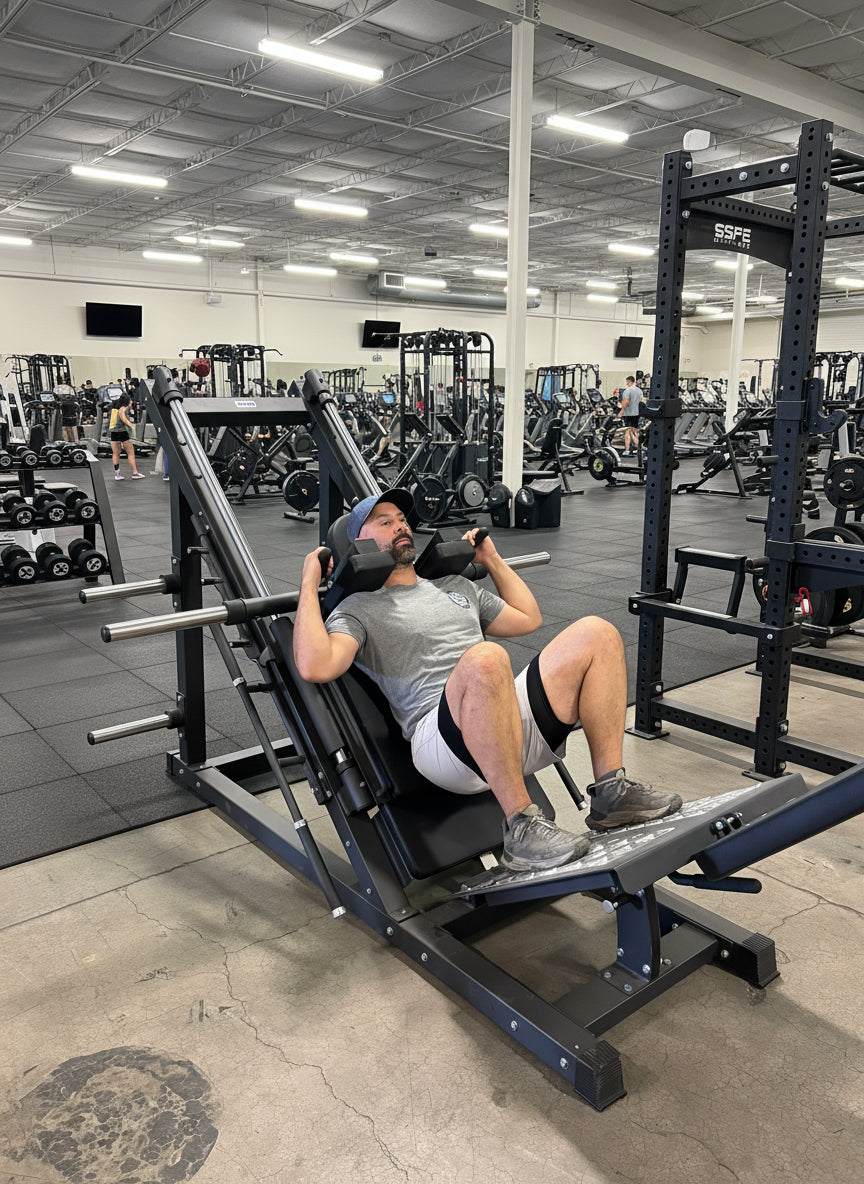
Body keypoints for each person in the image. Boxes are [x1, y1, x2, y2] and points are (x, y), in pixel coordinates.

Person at [294, 490, 682, 873]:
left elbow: (527, 618)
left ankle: (611, 793)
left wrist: (491, 560)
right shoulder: (358, 608)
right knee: (487, 658)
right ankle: (521, 826)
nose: (400, 527)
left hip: (503, 726)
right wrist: (309, 585)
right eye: (385, 522)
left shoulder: (454, 585)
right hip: (442, 745)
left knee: (597, 633)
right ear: (358, 542)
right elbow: (315, 666)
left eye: (402, 520)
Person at [108, 393, 144, 480]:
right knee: (130, 452)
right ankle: (135, 473)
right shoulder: (123, 408)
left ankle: (117, 474)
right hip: (122, 432)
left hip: (113, 432)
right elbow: (123, 417)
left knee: (116, 453)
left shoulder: (114, 409)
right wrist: (131, 426)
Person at [617, 376, 643, 455]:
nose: (626, 384)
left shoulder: (627, 390)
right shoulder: (639, 391)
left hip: (628, 414)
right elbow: (641, 401)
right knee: (635, 430)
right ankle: (637, 448)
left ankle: (627, 450)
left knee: (627, 431)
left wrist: (621, 412)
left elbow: (626, 401)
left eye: (627, 382)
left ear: (629, 381)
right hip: (637, 413)